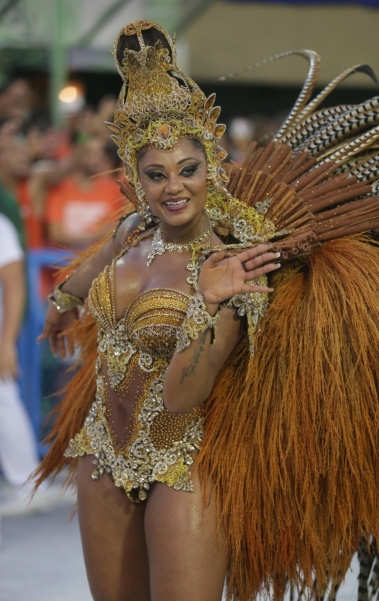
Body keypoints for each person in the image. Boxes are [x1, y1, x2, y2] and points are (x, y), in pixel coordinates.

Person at [35, 21, 379, 601]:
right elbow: (90, 274)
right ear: (135, 176)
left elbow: (181, 397)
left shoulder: (233, 259)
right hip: (101, 454)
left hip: (184, 464)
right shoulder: (130, 230)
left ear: (211, 165)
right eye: (156, 175)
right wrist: (61, 306)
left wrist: (210, 302)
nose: (174, 188)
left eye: (188, 170)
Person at [45, 136, 127, 249]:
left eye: (101, 153)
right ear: (77, 154)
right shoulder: (59, 189)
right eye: (90, 152)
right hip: (61, 260)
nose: (97, 158)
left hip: (100, 259)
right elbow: (56, 235)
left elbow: (114, 231)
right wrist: (96, 235)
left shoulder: (113, 189)